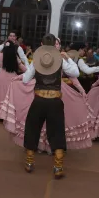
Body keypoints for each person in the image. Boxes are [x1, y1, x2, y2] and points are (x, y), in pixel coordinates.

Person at [12, 33, 79, 179]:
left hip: (39, 100)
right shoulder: (60, 60)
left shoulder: (37, 60)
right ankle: (58, 167)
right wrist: (67, 58)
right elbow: (76, 72)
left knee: (32, 129)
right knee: (57, 132)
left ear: (41, 44)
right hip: (55, 102)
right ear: (55, 44)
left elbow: (26, 80)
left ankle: (29, 163)